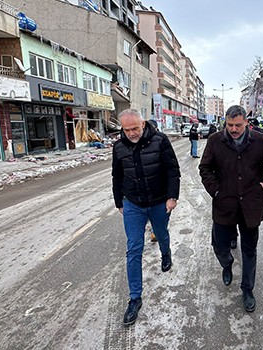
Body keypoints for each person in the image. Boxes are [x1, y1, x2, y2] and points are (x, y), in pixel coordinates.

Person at [199, 105, 263, 312]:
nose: (234, 129)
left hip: (250, 205)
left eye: (238, 125)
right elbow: (205, 168)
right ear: (225, 123)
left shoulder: (259, 140)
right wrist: (216, 191)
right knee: (219, 245)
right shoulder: (215, 140)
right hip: (224, 204)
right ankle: (227, 264)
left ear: (246, 122)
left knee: (249, 249)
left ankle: (247, 289)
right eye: (230, 125)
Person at [112, 109, 181, 326]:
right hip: (133, 203)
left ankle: (165, 252)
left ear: (142, 124)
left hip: (159, 201)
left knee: (161, 233)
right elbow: (117, 175)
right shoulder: (119, 146)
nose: (131, 133)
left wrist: (172, 197)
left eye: (135, 128)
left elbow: (173, 170)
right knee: (133, 248)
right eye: (127, 129)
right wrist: (119, 202)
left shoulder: (160, 141)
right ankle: (134, 298)